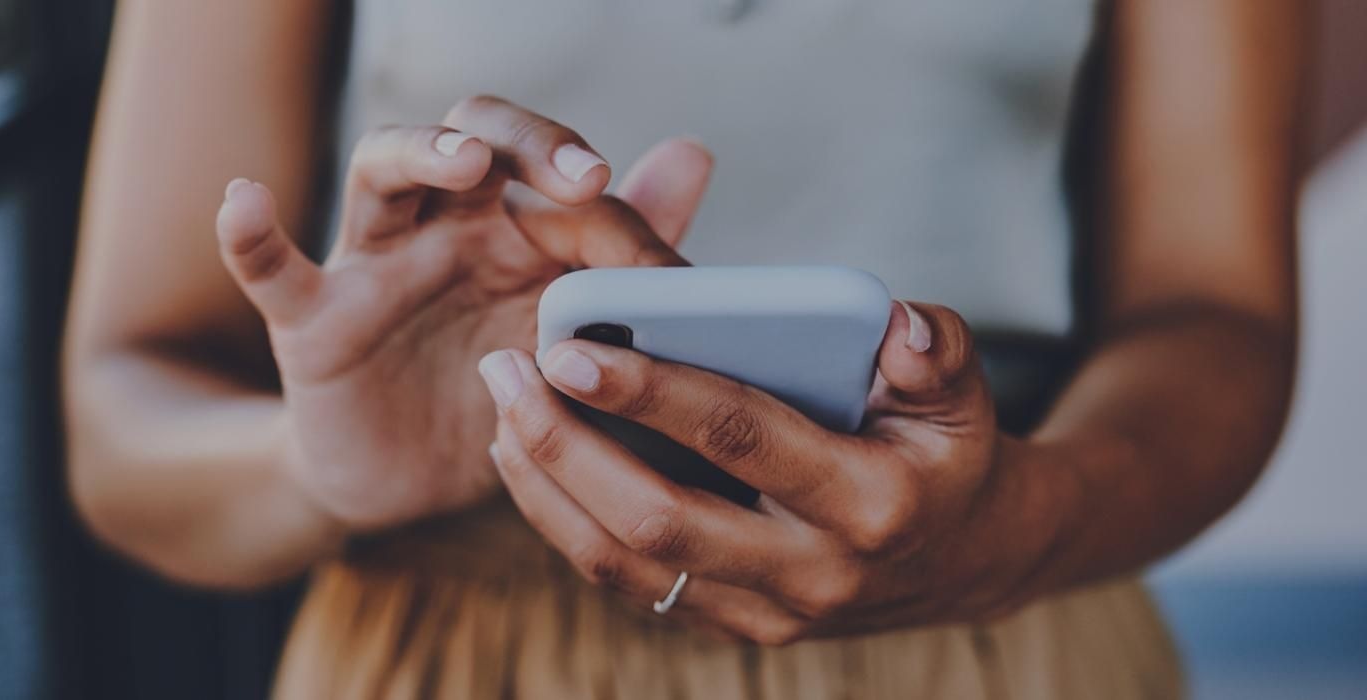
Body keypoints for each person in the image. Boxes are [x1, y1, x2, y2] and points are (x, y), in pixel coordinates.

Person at [64, 1, 1302, 697]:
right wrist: (316, 461)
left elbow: (1218, 318)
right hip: (455, 658)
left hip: (1010, 642)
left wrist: (1014, 527)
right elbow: (123, 411)